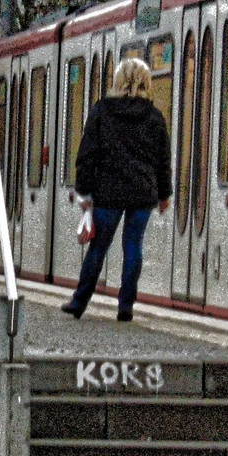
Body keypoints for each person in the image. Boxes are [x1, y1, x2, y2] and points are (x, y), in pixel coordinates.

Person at [64, 57, 171, 322]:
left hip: (109, 191)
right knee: (133, 246)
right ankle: (126, 307)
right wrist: (164, 193)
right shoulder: (155, 117)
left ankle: (79, 302)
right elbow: (163, 159)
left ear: (118, 80)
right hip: (143, 191)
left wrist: (84, 191)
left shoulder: (102, 110)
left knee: (98, 247)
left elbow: (87, 154)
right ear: (146, 82)